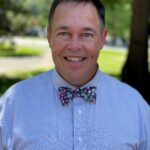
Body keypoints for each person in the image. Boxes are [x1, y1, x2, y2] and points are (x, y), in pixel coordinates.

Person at [0, 0, 150, 149]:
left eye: (87, 34)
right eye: (64, 33)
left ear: (102, 39)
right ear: (49, 36)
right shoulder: (14, 104)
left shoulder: (135, 107)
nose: (74, 46)